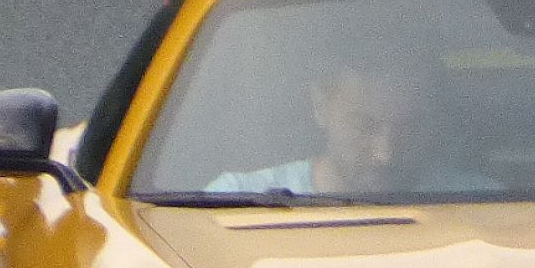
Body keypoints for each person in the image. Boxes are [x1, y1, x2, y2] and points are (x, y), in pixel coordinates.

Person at [208, 60, 486, 197]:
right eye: (364, 126)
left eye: (409, 128)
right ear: (320, 106)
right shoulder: (232, 204)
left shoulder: (483, 205)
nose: (385, 154)